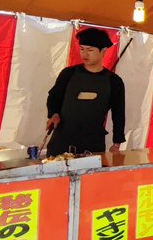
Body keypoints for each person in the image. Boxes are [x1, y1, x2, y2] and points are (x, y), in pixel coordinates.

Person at [46, 28, 126, 156]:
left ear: (103, 51)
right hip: (62, 141)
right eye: (82, 49)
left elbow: (118, 113)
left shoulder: (113, 81)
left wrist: (117, 142)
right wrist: (53, 114)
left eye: (90, 50)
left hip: (92, 144)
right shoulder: (69, 74)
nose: (84, 54)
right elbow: (54, 97)